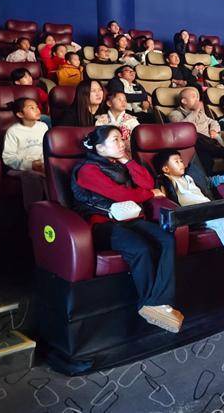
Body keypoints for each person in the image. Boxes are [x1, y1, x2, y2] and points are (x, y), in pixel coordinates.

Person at [71, 126, 183, 333]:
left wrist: (127, 161)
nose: (122, 143)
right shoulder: (87, 169)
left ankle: (155, 303)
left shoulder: (119, 164)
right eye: (115, 140)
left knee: (167, 239)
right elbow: (120, 195)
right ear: (99, 148)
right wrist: (150, 194)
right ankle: (151, 304)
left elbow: (147, 182)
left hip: (131, 218)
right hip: (103, 223)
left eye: (121, 139)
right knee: (140, 248)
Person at [154, 150, 224, 278]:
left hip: (209, 208)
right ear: (166, 169)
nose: (181, 164)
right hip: (194, 214)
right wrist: (158, 191)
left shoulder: (190, 177)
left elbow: (209, 181)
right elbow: (162, 194)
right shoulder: (167, 181)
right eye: (176, 162)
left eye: (181, 160)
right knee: (223, 222)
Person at [167, 87, 224, 174]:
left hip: (209, 144)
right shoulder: (175, 114)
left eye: (197, 97)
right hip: (195, 147)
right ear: (184, 101)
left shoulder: (200, 113)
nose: (197, 100)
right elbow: (182, 129)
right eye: (193, 97)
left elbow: (213, 121)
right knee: (198, 141)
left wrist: (213, 130)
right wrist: (195, 111)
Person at [2, 97, 48, 209]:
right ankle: (32, 209)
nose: (37, 110)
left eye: (37, 107)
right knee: (32, 176)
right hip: (19, 168)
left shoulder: (43, 127)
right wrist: (30, 165)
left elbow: (47, 149)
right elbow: (8, 158)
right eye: (31, 108)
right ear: (20, 114)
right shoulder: (13, 131)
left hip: (41, 165)